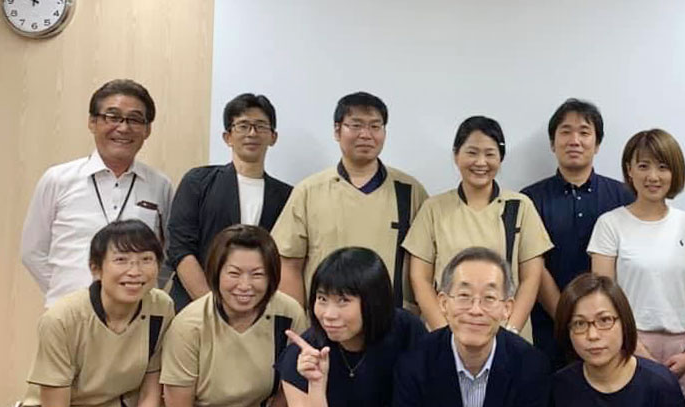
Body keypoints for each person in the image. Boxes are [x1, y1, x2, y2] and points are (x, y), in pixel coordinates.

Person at [8, 220, 174, 407]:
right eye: (121, 260)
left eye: (146, 259)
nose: (135, 271)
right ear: (96, 269)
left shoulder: (161, 308)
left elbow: (151, 393)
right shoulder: (62, 319)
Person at [158, 225, 307, 407]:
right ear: (216, 272)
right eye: (234, 273)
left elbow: (288, 390)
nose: (245, 285)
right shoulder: (189, 325)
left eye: (257, 274)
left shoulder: (289, 314)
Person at [389, 247, 550, 407]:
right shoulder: (414, 366)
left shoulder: (531, 367)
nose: (475, 310)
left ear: (507, 308)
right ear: (443, 303)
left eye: (489, 298)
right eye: (464, 296)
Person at [21, 79, 173, 307]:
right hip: (69, 311)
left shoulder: (160, 185)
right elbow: (32, 252)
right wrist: (65, 293)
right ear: (92, 122)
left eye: (134, 119)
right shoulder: (58, 179)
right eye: (112, 117)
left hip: (136, 315)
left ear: (147, 129)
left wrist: (143, 292)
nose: (123, 128)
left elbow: (167, 254)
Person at [271, 91, 428, 309]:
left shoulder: (409, 191)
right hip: (328, 320)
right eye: (356, 125)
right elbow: (289, 264)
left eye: (375, 126)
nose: (366, 134)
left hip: (391, 320)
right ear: (337, 131)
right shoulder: (309, 191)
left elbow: (425, 265)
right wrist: (300, 320)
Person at [278, 247, 427, 407]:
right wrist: (316, 386)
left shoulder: (407, 332)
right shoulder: (304, 354)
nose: (329, 314)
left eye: (343, 301)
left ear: (373, 301)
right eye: (322, 299)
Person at [403, 116, 553, 339]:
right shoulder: (434, 208)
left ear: (500, 158)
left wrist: (510, 332)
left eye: (490, 154)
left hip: (507, 333)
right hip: (446, 332)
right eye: (472, 152)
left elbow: (531, 277)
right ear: (456, 155)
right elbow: (420, 277)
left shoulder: (520, 206)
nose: (481, 162)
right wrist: (444, 333)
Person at [587, 128, 685, 403]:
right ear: (629, 170)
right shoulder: (610, 224)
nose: (653, 176)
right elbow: (604, 299)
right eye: (643, 166)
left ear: (675, 172)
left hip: (681, 351)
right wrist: (637, 350)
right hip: (627, 345)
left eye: (663, 167)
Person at [521, 99, 632, 368]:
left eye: (584, 132)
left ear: (597, 143)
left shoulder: (623, 196)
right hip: (548, 330)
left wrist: (595, 320)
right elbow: (533, 265)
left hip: (608, 329)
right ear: (552, 143)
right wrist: (569, 319)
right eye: (566, 132)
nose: (575, 140)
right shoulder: (529, 199)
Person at [547, 273, 685, 407]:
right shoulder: (561, 388)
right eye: (579, 324)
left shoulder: (660, 386)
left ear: (624, 323)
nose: (593, 335)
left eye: (604, 320)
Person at [167, 93, 293, 312]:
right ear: (227, 137)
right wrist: (212, 306)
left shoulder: (287, 196)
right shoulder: (198, 182)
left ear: (273, 137)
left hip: (257, 312)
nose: (252, 133)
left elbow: (285, 260)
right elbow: (180, 248)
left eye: (260, 126)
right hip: (195, 308)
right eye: (243, 126)